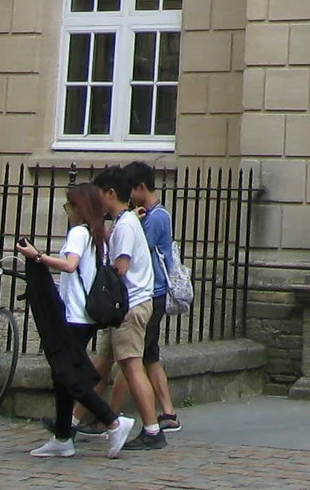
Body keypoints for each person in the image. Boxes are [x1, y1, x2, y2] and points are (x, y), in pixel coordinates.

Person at [17, 183, 135, 458]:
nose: (67, 211)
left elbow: (70, 265)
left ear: (78, 208)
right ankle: (62, 437)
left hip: (75, 315)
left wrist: (37, 256)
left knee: (68, 375)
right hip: (85, 315)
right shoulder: (96, 234)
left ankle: (112, 421)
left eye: (69, 205)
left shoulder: (79, 233)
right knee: (63, 376)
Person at [93, 166, 167, 449]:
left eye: (99, 194)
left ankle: (152, 429)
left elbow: (120, 268)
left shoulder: (125, 225)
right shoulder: (126, 222)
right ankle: (73, 421)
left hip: (130, 305)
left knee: (133, 368)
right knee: (103, 364)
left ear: (111, 193)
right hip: (127, 305)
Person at [123, 160, 183, 433]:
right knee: (149, 356)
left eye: (130, 189)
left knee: (132, 358)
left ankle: (109, 415)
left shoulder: (157, 217)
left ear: (141, 187)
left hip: (153, 291)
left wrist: (132, 221)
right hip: (152, 291)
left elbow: (140, 250)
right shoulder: (151, 214)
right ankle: (168, 412)